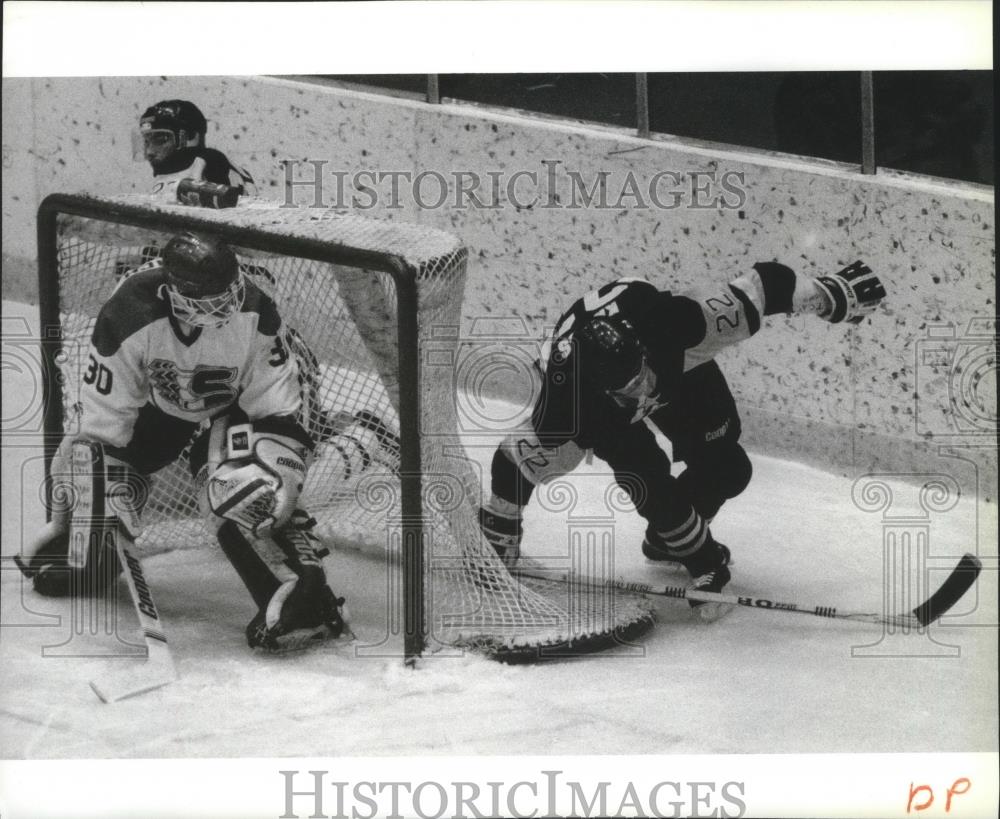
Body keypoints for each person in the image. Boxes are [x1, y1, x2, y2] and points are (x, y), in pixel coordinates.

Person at [15, 232, 393, 651]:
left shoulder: (254, 310)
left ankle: (355, 455)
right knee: (99, 472)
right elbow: (105, 420)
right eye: (204, 301)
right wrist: (100, 487)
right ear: (170, 290)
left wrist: (273, 475)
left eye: (226, 295)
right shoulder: (129, 313)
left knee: (241, 489)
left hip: (252, 404)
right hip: (173, 402)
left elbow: (277, 416)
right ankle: (97, 556)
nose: (222, 308)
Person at [478, 260, 886, 615]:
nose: (642, 392)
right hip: (590, 403)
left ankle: (666, 542)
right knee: (563, 455)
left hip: (677, 363)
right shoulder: (570, 405)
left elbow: (766, 286)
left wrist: (828, 296)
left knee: (728, 467)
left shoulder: (682, 323)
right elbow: (646, 481)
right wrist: (703, 559)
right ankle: (497, 529)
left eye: (640, 376)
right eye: (628, 390)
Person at [137, 99, 255, 204]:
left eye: (161, 140)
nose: (149, 152)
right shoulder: (170, 173)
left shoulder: (209, 162)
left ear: (190, 137)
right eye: (146, 142)